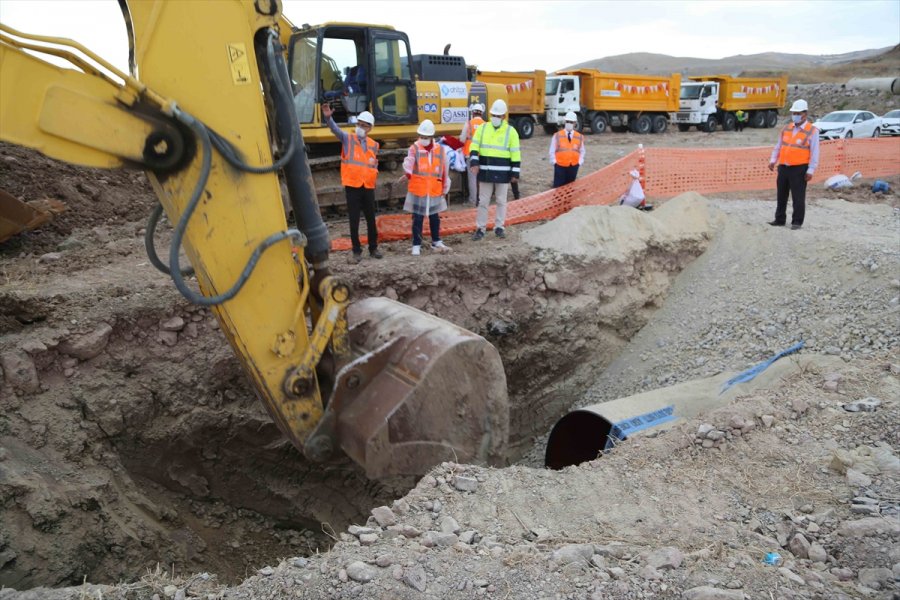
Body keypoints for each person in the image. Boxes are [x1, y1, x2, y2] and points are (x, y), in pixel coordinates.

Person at [322, 103, 382, 262]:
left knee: (371, 219)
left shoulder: (374, 145)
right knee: (354, 220)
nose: (361, 128)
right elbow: (335, 130)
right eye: (359, 124)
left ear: (370, 128)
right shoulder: (348, 139)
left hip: (368, 187)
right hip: (353, 186)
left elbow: (372, 165)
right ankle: (356, 251)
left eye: (364, 126)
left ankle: (373, 248)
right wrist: (328, 118)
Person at [468, 99, 521, 240]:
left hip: (503, 173)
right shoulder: (483, 128)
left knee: (501, 201)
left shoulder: (511, 132)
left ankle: (499, 227)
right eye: (494, 115)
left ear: (504, 116)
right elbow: (474, 146)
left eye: (498, 116)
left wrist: (515, 172)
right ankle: (480, 228)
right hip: (485, 172)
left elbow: (515, 153)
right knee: (483, 201)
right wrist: (474, 162)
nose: (496, 118)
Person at [402, 119, 452, 256]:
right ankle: (416, 244)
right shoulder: (414, 148)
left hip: (434, 189)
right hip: (419, 189)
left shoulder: (440, 150)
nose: (423, 139)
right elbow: (409, 162)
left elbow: (444, 170)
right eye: (422, 137)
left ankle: (436, 240)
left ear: (431, 137)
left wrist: (444, 186)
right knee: (417, 218)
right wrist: (407, 170)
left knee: (434, 217)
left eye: (426, 137)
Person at [768, 99, 819, 230]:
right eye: (794, 112)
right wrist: (773, 160)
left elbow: (815, 152)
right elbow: (779, 146)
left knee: (798, 196)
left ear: (805, 114)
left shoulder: (812, 131)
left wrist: (811, 170)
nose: (795, 115)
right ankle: (779, 219)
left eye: (798, 113)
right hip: (784, 167)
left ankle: (797, 221)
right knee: (781, 195)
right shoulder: (786, 128)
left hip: (799, 168)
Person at [549, 111, 585, 188]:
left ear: (575, 123)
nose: (569, 124)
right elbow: (552, 151)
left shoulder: (579, 136)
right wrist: (555, 162)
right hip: (560, 166)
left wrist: (579, 162)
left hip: (573, 166)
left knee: (569, 188)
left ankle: (568, 200)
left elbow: (582, 151)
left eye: (571, 122)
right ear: (565, 122)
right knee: (558, 188)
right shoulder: (557, 135)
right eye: (567, 121)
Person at [459, 103, 485, 205]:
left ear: (473, 113)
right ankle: (483, 199)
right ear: (481, 113)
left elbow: (462, 139)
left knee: (472, 179)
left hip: (470, 155)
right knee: (482, 179)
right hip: (483, 155)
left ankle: (473, 200)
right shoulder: (485, 124)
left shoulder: (469, 124)